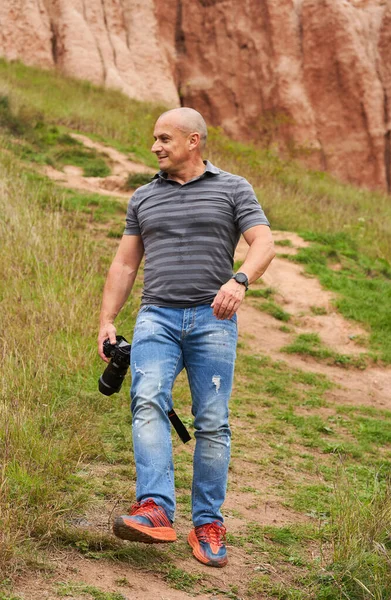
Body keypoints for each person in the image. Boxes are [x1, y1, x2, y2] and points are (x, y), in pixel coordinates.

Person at [97, 107, 275, 568]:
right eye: (154, 139)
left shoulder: (233, 188)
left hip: (213, 320)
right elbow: (124, 264)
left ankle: (208, 522)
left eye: (164, 138)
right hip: (156, 316)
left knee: (212, 420)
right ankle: (155, 508)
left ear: (193, 141)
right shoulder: (143, 197)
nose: (155, 147)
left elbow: (264, 243)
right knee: (147, 400)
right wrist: (107, 319)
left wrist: (239, 281)